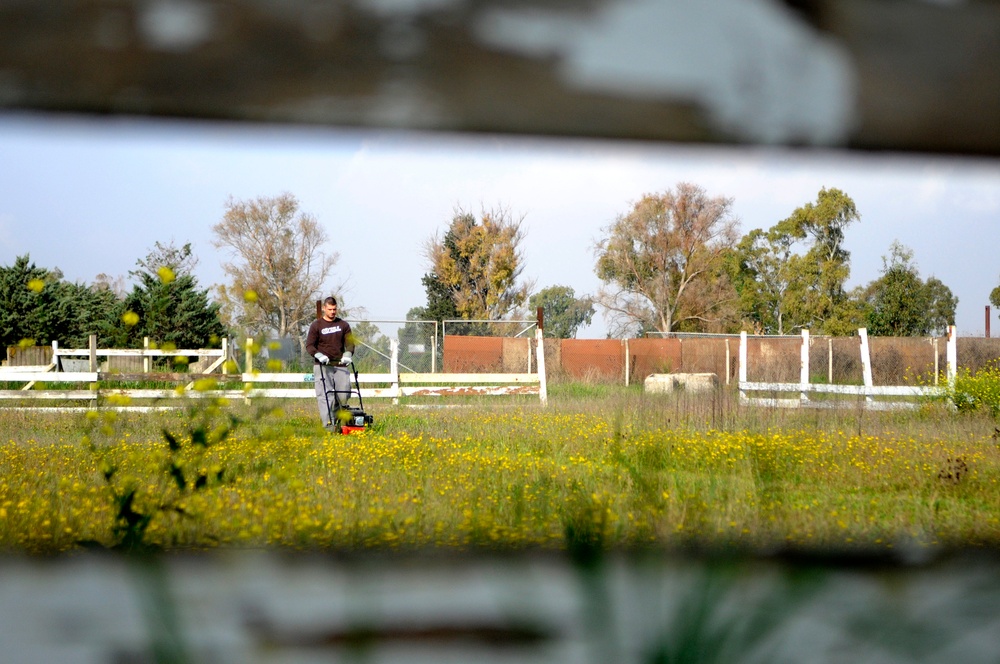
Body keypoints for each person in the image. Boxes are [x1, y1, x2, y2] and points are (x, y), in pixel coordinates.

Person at [305, 296, 355, 430]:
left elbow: (350, 344)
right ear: (324, 309)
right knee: (326, 396)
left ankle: (338, 418)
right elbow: (309, 345)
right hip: (322, 366)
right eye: (330, 309)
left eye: (335, 309)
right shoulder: (316, 325)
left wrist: (348, 354)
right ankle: (329, 426)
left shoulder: (343, 325)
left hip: (340, 365)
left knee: (344, 394)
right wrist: (318, 355)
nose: (333, 312)